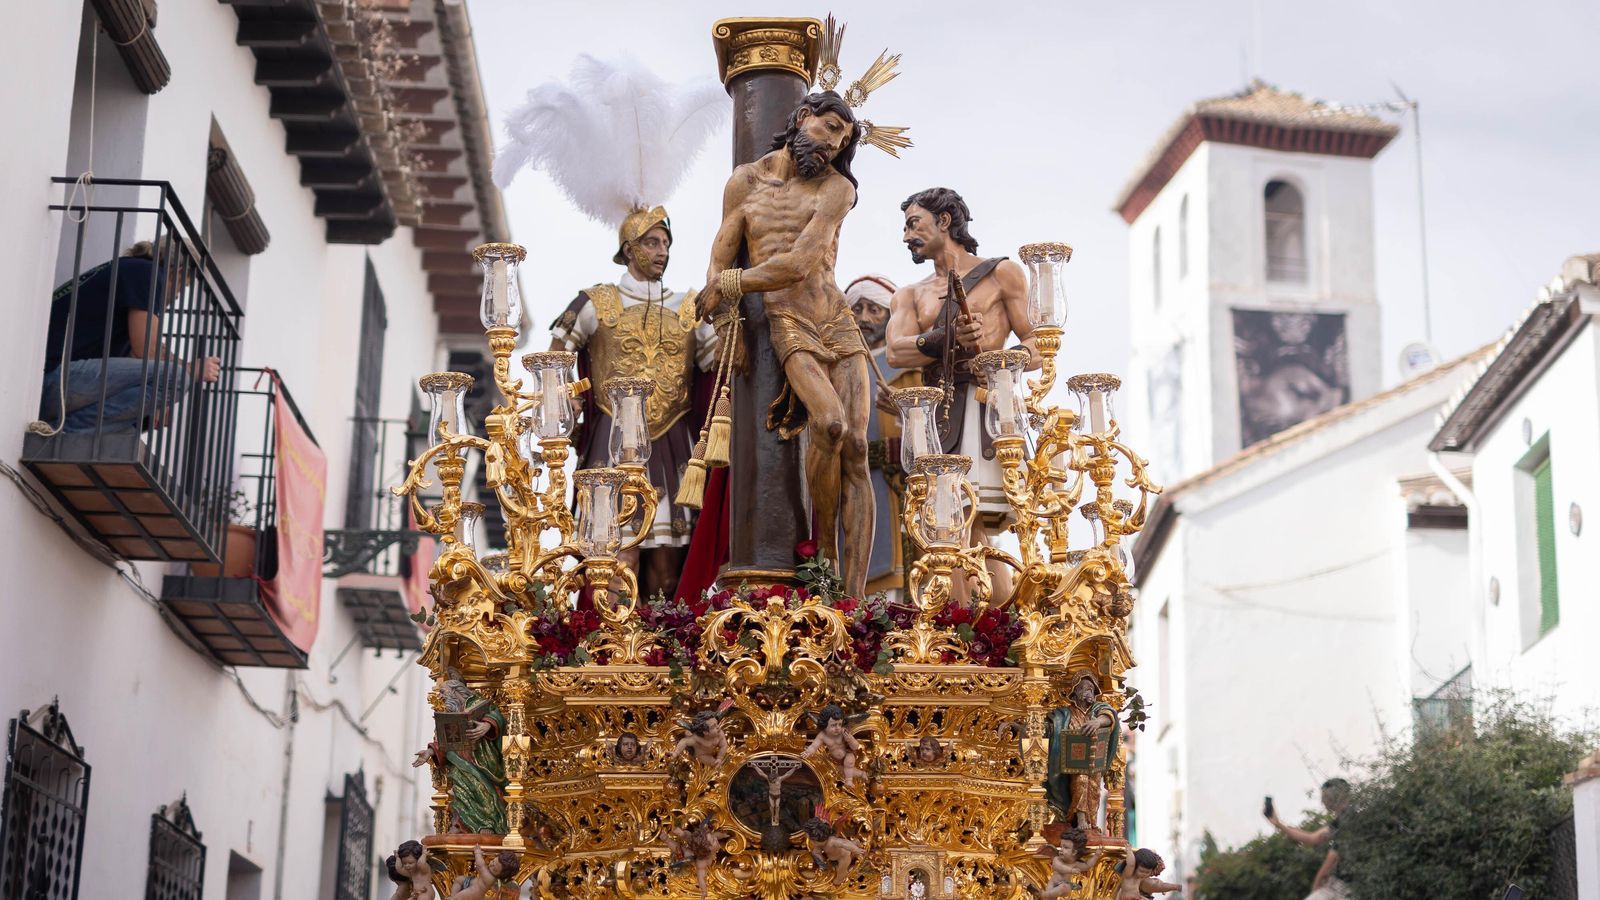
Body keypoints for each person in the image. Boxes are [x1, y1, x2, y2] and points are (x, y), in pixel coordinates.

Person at [697, 90, 874, 599]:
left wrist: (729, 287)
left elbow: (798, 263)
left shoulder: (838, 189)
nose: (835, 142)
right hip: (787, 319)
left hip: (835, 317)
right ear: (802, 117)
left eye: (844, 136)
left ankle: (855, 596)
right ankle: (826, 551)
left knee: (859, 446)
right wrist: (729, 320)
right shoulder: (745, 182)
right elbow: (720, 255)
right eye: (829, 126)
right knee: (831, 424)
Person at [550, 209, 716, 600]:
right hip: (611, 442)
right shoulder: (597, 302)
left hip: (673, 444)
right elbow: (558, 351)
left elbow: (721, 366)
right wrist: (568, 395)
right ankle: (608, 648)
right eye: (652, 242)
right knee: (615, 561)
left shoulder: (689, 308)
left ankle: (660, 650)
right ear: (628, 250)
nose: (663, 252)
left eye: (667, 244)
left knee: (666, 570)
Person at [884, 188, 1033, 601]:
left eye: (914, 224)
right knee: (947, 527)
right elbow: (896, 351)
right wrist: (944, 337)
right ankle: (977, 625)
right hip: (936, 416)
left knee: (971, 521)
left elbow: (1038, 346)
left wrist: (1000, 359)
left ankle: (985, 624)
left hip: (985, 408)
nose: (906, 236)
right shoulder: (909, 294)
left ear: (944, 220)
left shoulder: (1002, 274)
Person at [39, 240, 220, 433]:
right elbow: (147, 349)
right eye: (182, 287)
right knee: (175, 378)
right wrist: (191, 369)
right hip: (53, 380)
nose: (176, 297)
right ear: (179, 272)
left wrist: (159, 402)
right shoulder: (147, 273)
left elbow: (140, 357)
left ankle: (66, 432)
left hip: (51, 382)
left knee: (137, 424)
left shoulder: (129, 270)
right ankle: (64, 433)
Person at [847, 273, 918, 597]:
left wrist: (904, 413)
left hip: (899, 483)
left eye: (873, 309)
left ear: (890, 315)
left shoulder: (910, 367)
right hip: (853, 482)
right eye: (857, 309)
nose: (863, 317)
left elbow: (934, 426)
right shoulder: (839, 370)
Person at [1045, 671, 1120, 833]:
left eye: (1091, 689)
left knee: (1094, 788)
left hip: (1094, 757)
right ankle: (1079, 817)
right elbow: (1050, 726)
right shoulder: (1065, 713)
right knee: (1081, 780)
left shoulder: (1097, 709)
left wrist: (1097, 722)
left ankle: (1090, 820)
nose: (1088, 692)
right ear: (1075, 692)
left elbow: (1109, 715)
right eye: (1084, 689)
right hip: (1073, 759)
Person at [1266, 777, 1352, 900]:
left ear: (1333, 797)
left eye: (1324, 797)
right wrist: (1278, 824)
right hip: (1340, 884)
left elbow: (1332, 857)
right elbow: (1311, 838)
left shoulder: (1348, 821)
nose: (1322, 801)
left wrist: (1316, 887)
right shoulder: (1339, 822)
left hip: (1345, 886)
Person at [1115, 847, 1181, 899]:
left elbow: (1158, 885)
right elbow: (1131, 863)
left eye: (1147, 872)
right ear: (1135, 867)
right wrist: (1129, 851)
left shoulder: (1140, 878)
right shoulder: (1128, 875)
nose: (1144, 874)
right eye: (1142, 871)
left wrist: (1174, 887)